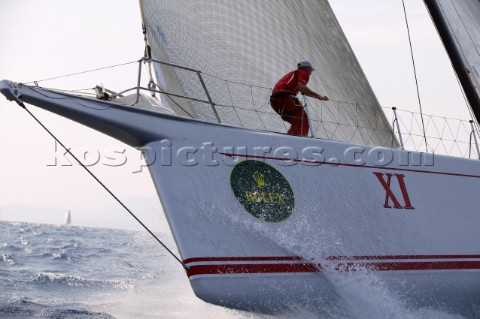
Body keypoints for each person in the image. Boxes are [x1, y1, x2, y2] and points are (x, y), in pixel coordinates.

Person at [270, 61, 328, 136]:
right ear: (307, 68)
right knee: (303, 119)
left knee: (298, 121)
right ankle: (297, 141)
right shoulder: (303, 72)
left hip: (275, 100)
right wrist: (319, 97)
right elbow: (302, 88)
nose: (310, 73)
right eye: (310, 70)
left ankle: (290, 138)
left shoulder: (294, 73)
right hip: (285, 97)